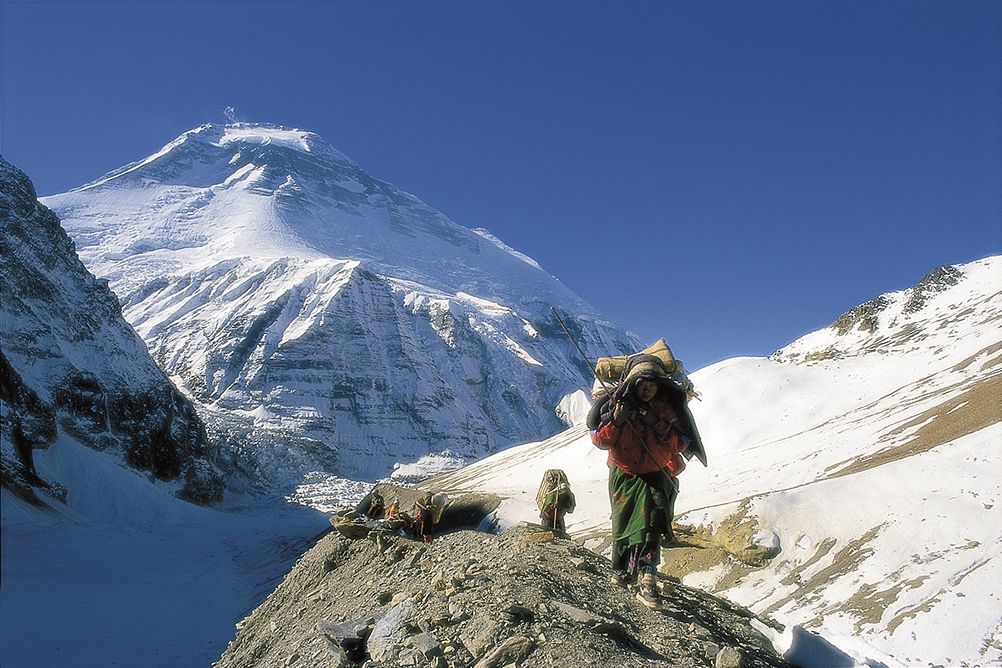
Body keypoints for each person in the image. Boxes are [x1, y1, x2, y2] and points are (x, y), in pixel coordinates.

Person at [591, 354, 694, 610]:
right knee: (625, 523)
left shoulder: (666, 412)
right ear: (633, 385)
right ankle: (624, 569)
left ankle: (647, 579)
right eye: (641, 383)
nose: (647, 387)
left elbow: (676, 443)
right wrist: (616, 421)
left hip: (655, 475)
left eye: (652, 383)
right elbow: (601, 441)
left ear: (659, 386)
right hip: (624, 475)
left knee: (650, 525)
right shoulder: (617, 407)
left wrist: (655, 423)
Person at [536, 469, 577, 533]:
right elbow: (570, 509)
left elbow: (546, 507)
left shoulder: (552, 494)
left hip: (550, 519)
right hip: (558, 520)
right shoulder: (567, 493)